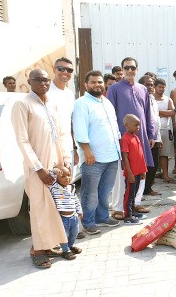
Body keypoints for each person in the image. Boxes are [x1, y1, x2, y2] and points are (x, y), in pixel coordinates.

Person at [11, 69, 69, 269]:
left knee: (53, 208)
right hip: (37, 168)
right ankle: (37, 250)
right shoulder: (22, 104)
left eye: (46, 80)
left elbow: (60, 134)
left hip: (55, 165)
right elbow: (23, 140)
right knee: (39, 209)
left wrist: (65, 161)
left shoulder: (51, 103)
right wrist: (38, 168)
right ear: (29, 81)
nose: (43, 83)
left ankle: (50, 245)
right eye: (38, 80)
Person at [106, 57, 156, 220]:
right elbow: (110, 114)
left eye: (132, 68)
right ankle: (118, 207)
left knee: (141, 169)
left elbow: (148, 114)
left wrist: (151, 134)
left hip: (141, 137)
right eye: (126, 68)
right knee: (123, 172)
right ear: (122, 69)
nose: (129, 70)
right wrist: (115, 136)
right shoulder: (114, 89)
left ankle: (135, 202)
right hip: (123, 137)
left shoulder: (143, 89)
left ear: (137, 69)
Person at [73, 70, 122, 235]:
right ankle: (88, 221)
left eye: (100, 82)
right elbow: (80, 130)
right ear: (86, 85)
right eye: (93, 82)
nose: (97, 85)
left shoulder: (106, 102)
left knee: (104, 191)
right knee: (90, 193)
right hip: (93, 158)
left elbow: (114, 129)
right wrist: (87, 151)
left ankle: (102, 217)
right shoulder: (82, 103)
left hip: (112, 156)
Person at [47, 165, 83, 260]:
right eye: (62, 176)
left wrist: (79, 210)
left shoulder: (71, 187)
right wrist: (55, 171)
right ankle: (65, 250)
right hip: (63, 218)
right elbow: (50, 175)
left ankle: (70, 246)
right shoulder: (54, 187)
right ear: (56, 178)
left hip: (74, 217)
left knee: (74, 233)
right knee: (64, 235)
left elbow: (75, 199)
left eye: (68, 175)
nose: (67, 178)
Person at [50, 58, 77, 174]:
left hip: (67, 147)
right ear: (54, 69)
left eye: (69, 70)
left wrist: (75, 149)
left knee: (66, 185)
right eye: (61, 69)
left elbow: (70, 123)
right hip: (50, 148)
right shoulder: (46, 91)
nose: (65, 72)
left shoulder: (69, 94)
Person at [137, 75, 161, 201]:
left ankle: (148, 188)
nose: (150, 87)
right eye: (148, 85)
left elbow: (155, 119)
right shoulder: (139, 98)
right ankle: (139, 192)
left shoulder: (153, 99)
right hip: (144, 137)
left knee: (154, 165)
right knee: (143, 166)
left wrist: (159, 138)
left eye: (152, 84)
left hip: (155, 137)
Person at [121, 114, 147, 225]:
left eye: (139, 125)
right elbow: (125, 157)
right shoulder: (125, 139)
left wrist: (143, 170)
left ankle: (133, 212)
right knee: (129, 194)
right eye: (135, 125)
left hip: (138, 171)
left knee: (134, 193)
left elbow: (140, 155)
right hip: (131, 173)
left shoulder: (136, 137)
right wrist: (130, 173)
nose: (138, 127)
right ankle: (128, 216)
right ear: (127, 125)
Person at [154, 78, 176, 183]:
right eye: (160, 87)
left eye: (163, 87)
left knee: (164, 154)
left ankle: (166, 175)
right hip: (153, 131)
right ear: (155, 87)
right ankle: (151, 177)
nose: (161, 89)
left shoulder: (168, 100)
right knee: (153, 154)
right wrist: (165, 113)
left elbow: (173, 112)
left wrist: (158, 112)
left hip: (165, 130)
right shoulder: (150, 99)